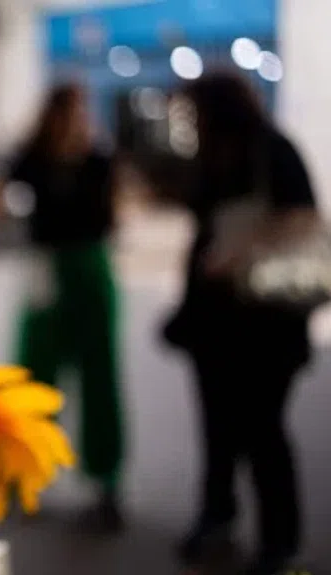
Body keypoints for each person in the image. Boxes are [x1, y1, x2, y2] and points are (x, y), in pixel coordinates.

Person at [163, 73, 317, 574]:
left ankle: (280, 542)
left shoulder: (273, 151)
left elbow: (302, 221)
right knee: (218, 430)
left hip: (269, 324)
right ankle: (217, 517)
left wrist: (242, 247)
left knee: (265, 435)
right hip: (214, 324)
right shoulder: (214, 155)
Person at [0, 83, 124, 529]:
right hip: (47, 270)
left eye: (79, 112)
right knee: (33, 378)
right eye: (68, 112)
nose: (75, 121)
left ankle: (107, 484)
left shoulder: (99, 159)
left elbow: (114, 216)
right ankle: (23, 477)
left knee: (99, 378)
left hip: (88, 267)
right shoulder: (31, 157)